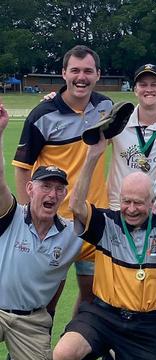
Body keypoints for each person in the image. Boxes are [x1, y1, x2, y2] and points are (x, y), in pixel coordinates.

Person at [52, 139, 156, 360]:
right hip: (103, 315)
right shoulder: (106, 222)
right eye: (126, 201)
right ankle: (111, 353)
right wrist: (92, 157)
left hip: (146, 324)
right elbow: (76, 206)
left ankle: (114, 356)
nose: (132, 209)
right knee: (63, 354)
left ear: (152, 201)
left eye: (138, 203)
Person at [12, 45, 113, 310]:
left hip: (93, 219)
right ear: (63, 73)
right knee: (44, 303)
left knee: (91, 300)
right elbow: (22, 168)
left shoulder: (106, 106)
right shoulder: (42, 114)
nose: (82, 77)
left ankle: (74, 351)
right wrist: (28, 219)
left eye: (88, 71)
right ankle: (31, 352)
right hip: (53, 223)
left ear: (98, 74)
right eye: (75, 70)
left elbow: (141, 118)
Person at [0, 104, 82, 360]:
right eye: (45, 186)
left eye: (59, 189)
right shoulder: (11, 215)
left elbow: (59, 279)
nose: (52, 194)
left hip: (32, 321)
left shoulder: (72, 235)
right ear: (30, 188)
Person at [107, 63, 156, 210]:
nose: (149, 89)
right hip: (119, 209)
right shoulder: (118, 120)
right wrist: (55, 99)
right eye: (143, 85)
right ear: (135, 90)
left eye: (154, 85)